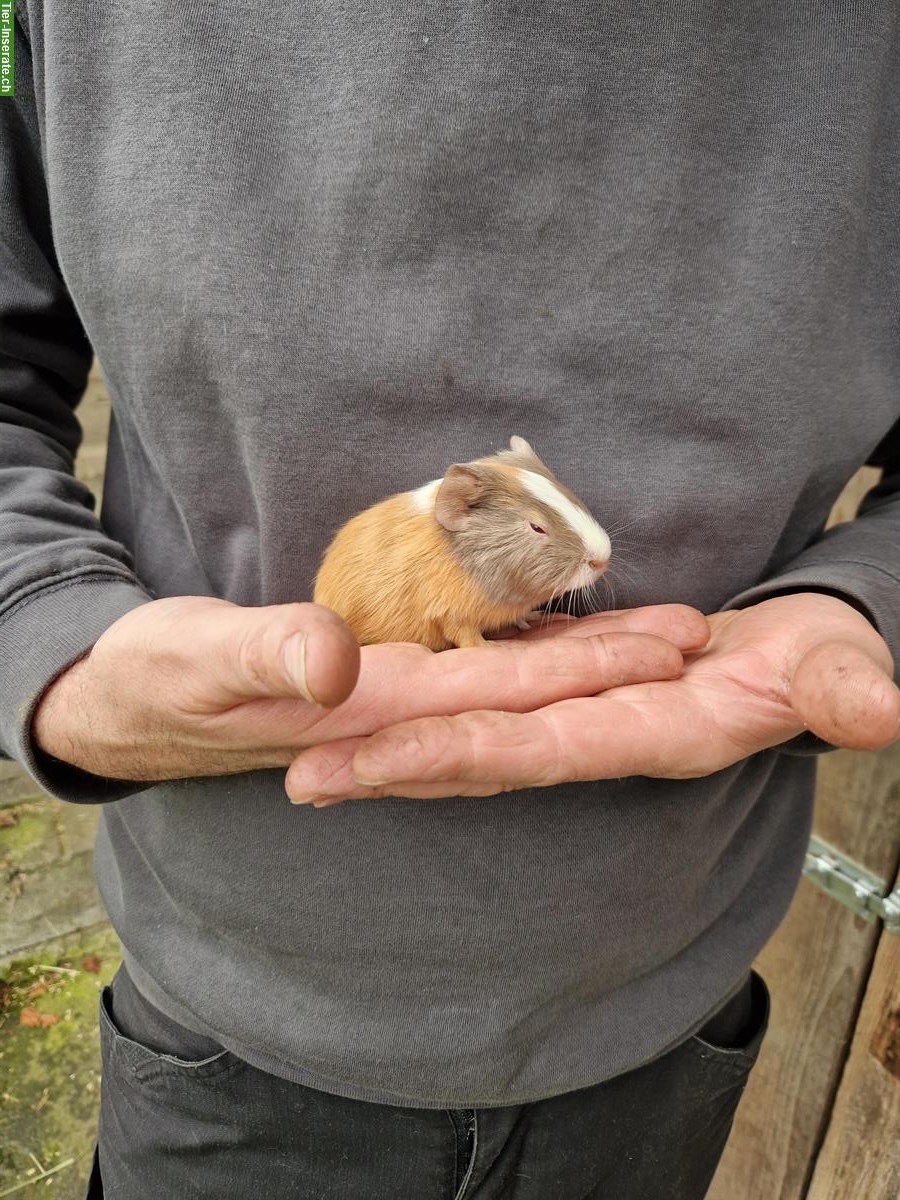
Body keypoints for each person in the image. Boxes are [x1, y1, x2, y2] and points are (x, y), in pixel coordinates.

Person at [2, 4, 898, 1198]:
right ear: (472, 514)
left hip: (674, 1001)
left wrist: (867, 595)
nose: (587, 554)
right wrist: (49, 636)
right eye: (550, 534)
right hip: (224, 1011)